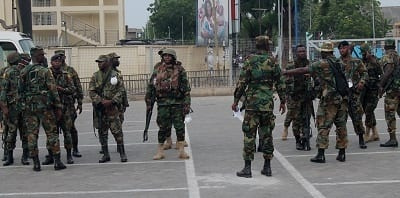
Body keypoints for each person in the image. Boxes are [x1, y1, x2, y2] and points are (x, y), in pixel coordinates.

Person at [283, 42, 349, 163]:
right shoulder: (340, 63)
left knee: (323, 125)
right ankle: (342, 153)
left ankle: (321, 154)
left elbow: (303, 69)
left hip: (329, 99)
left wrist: (287, 72)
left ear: (324, 52)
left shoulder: (322, 63)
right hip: (342, 98)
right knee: (341, 126)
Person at [232, 36, 286, 178]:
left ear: (257, 46)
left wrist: (236, 100)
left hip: (252, 104)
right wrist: (283, 101)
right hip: (267, 104)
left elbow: (242, 83)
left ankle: (247, 168)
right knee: (267, 135)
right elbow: (280, 83)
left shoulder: (250, 60)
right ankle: (267, 167)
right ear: (268, 46)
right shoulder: (273, 61)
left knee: (249, 135)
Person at [19, 47, 66, 171]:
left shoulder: (24, 71)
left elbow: (20, 91)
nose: (43, 57)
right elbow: (53, 89)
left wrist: (23, 105)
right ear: (37, 56)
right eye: (41, 55)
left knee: (32, 135)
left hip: (30, 108)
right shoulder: (45, 71)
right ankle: (57, 161)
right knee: (51, 133)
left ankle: (36, 163)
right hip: (45, 107)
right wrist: (58, 106)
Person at [145, 48, 191, 160]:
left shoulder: (180, 70)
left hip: (177, 103)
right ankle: (160, 151)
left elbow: (186, 89)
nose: (166, 57)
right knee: (162, 128)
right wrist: (148, 101)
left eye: (169, 56)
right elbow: (151, 86)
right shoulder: (158, 70)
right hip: (162, 104)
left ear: (173, 57)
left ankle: (181, 151)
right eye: (165, 56)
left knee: (179, 127)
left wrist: (187, 104)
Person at [89, 55, 127, 163]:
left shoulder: (115, 75)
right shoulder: (95, 76)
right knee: (102, 132)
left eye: (101, 62)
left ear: (107, 63)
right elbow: (91, 91)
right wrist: (100, 101)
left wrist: (112, 101)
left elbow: (121, 90)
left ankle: (122, 153)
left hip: (112, 108)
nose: (99, 64)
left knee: (117, 131)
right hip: (101, 109)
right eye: (98, 62)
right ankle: (106, 154)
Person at [0, 52, 30, 166]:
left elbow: (3, 92)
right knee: (22, 132)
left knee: (12, 132)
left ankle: (11, 157)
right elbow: (3, 92)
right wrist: (4, 108)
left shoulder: (19, 71)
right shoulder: (12, 72)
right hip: (17, 107)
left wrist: (4, 107)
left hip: (15, 107)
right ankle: (22, 157)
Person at [338, 41, 368, 149]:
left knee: (357, 117)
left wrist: (361, 82)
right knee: (341, 119)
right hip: (342, 95)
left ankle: (361, 138)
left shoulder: (356, 61)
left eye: (344, 48)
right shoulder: (337, 63)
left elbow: (364, 73)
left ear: (348, 49)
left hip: (353, 93)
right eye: (340, 48)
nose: (342, 50)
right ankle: (342, 141)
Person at [47, 54, 76, 164]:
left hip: (64, 108)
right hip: (51, 108)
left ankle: (69, 155)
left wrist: (61, 89)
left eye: (59, 62)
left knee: (67, 132)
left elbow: (72, 89)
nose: (57, 63)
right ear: (51, 62)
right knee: (51, 133)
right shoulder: (46, 74)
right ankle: (51, 155)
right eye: (55, 61)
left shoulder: (66, 75)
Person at [54, 50, 83, 158]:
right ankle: (54, 153)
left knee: (70, 128)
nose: (59, 58)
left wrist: (80, 102)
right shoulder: (50, 71)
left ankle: (74, 149)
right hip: (55, 105)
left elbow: (78, 86)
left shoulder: (70, 70)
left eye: (61, 56)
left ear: (65, 57)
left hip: (68, 104)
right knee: (54, 130)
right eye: (57, 56)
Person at [284, 45, 314, 150]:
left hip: (306, 97)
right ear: (296, 53)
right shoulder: (291, 65)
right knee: (296, 121)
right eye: (300, 51)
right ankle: (298, 140)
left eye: (303, 51)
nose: (302, 53)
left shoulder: (310, 64)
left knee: (306, 119)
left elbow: (316, 79)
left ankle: (305, 138)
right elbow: (285, 81)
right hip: (295, 97)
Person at [378, 39, 400, 148]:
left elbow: (388, 71)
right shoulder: (399, 56)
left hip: (392, 92)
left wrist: (381, 86)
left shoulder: (386, 57)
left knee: (390, 115)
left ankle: (392, 139)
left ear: (385, 47)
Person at [360, 43, 382, 142]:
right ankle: (375, 133)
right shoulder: (362, 62)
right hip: (365, 90)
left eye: (364, 52)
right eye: (362, 52)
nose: (363, 54)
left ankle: (367, 134)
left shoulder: (375, 60)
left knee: (368, 111)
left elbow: (381, 72)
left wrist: (371, 59)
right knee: (368, 111)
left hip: (373, 90)